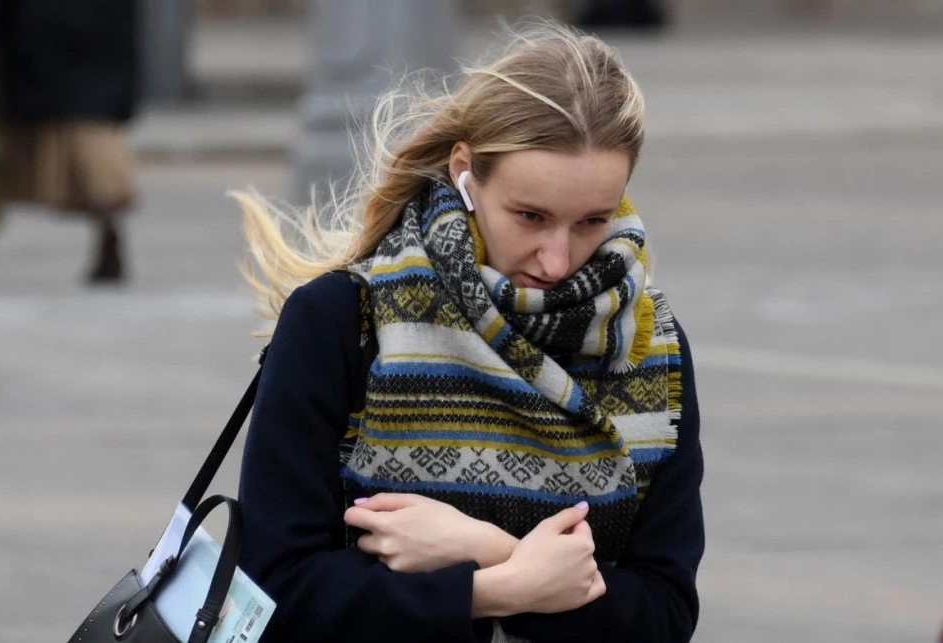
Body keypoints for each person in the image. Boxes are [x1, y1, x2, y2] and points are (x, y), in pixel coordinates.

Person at [235, 19, 703, 643]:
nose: (557, 261)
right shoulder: (344, 319)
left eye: (591, 221)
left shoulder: (651, 347)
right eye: (530, 216)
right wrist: (496, 590)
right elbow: (273, 591)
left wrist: (487, 548)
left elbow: (665, 615)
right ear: (465, 172)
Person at [0, 0, 139, 283]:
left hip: (41, 49)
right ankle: (106, 228)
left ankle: (106, 229)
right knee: (90, 156)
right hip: (75, 56)